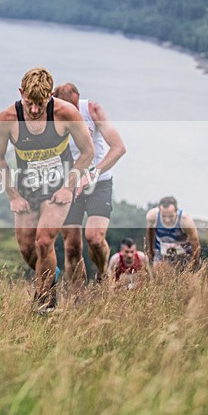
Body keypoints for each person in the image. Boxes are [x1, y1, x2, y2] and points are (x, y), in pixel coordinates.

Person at [0, 68, 94, 313]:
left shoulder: (65, 113)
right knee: (28, 249)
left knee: (44, 241)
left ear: (50, 96)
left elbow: (87, 152)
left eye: (41, 103)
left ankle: (45, 302)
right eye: (29, 103)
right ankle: (52, 275)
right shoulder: (7, 118)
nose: (35, 110)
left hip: (58, 187)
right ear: (20, 93)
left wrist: (69, 187)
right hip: (27, 188)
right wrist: (13, 196)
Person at [53, 82, 126, 287]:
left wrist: (92, 173)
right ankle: (78, 298)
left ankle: (103, 275)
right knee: (72, 247)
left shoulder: (92, 110)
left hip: (98, 182)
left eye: (75, 109)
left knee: (94, 238)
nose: (72, 114)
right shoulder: (49, 115)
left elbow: (119, 148)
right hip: (67, 185)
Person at [146, 196, 201, 271]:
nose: (167, 220)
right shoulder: (152, 216)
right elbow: (150, 232)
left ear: (176, 211)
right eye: (164, 216)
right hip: (163, 252)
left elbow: (195, 243)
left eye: (171, 216)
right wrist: (150, 251)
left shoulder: (185, 220)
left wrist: (194, 263)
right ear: (159, 211)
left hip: (184, 253)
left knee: (186, 278)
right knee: (159, 272)